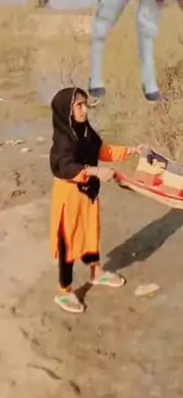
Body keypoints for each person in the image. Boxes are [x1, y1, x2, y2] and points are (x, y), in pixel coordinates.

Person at [49, 85, 144, 314]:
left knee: (91, 233)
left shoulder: (85, 132)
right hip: (69, 196)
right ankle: (64, 290)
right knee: (68, 242)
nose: (84, 110)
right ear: (66, 110)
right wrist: (96, 171)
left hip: (88, 193)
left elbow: (103, 151)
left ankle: (96, 272)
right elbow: (65, 167)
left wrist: (132, 150)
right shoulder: (63, 140)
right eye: (78, 106)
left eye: (85, 104)